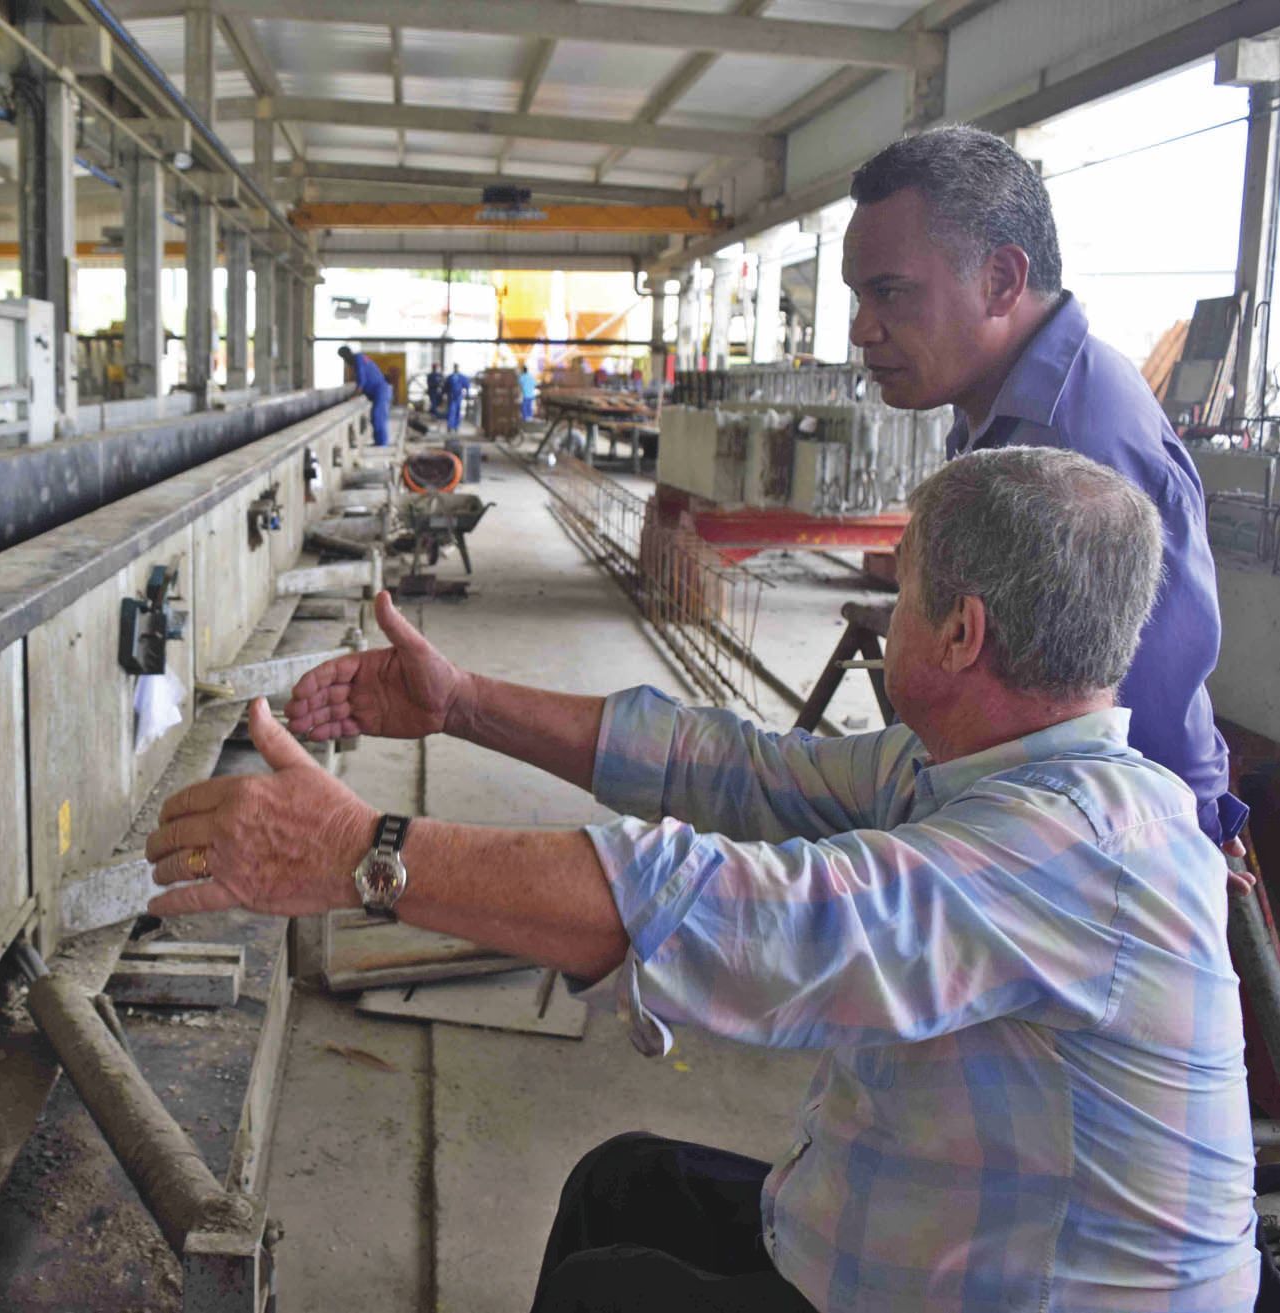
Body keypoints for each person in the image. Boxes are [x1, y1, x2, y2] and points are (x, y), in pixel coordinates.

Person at [144, 447, 1256, 1312]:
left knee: (606, 1291)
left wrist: (362, 851)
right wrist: (463, 703)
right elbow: (737, 769)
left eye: (901, 586)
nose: (881, 603)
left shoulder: (1074, 850)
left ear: (961, 633)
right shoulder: (970, 767)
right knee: (623, 1184)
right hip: (952, 1244)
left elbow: (756, 921)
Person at [843, 125, 1245, 848]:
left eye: (889, 293)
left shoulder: (1080, 447)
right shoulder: (997, 411)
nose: (861, 328)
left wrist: (1175, 864)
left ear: (1000, 280)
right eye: (857, 295)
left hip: (1108, 851)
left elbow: (1141, 715)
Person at [338, 345, 393, 447]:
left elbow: (361, 381)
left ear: (347, 355)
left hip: (380, 391)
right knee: (376, 417)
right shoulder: (360, 358)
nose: (345, 361)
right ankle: (379, 442)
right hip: (380, 391)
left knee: (378, 416)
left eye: (344, 358)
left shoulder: (358, 359)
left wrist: (353, 397)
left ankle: (382, 444)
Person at [445, 366, 469, 433]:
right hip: (451, 397)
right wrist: (444, 394)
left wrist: (467, 394)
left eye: (457, 367)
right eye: (455, 367)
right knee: (451, 411)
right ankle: (450, 426)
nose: (456, 369)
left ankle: (456, 427)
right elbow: (446, 386)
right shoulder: (450, 377)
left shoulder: (462, 377)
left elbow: (467, 385)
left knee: (457, 412)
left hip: (458, 397)